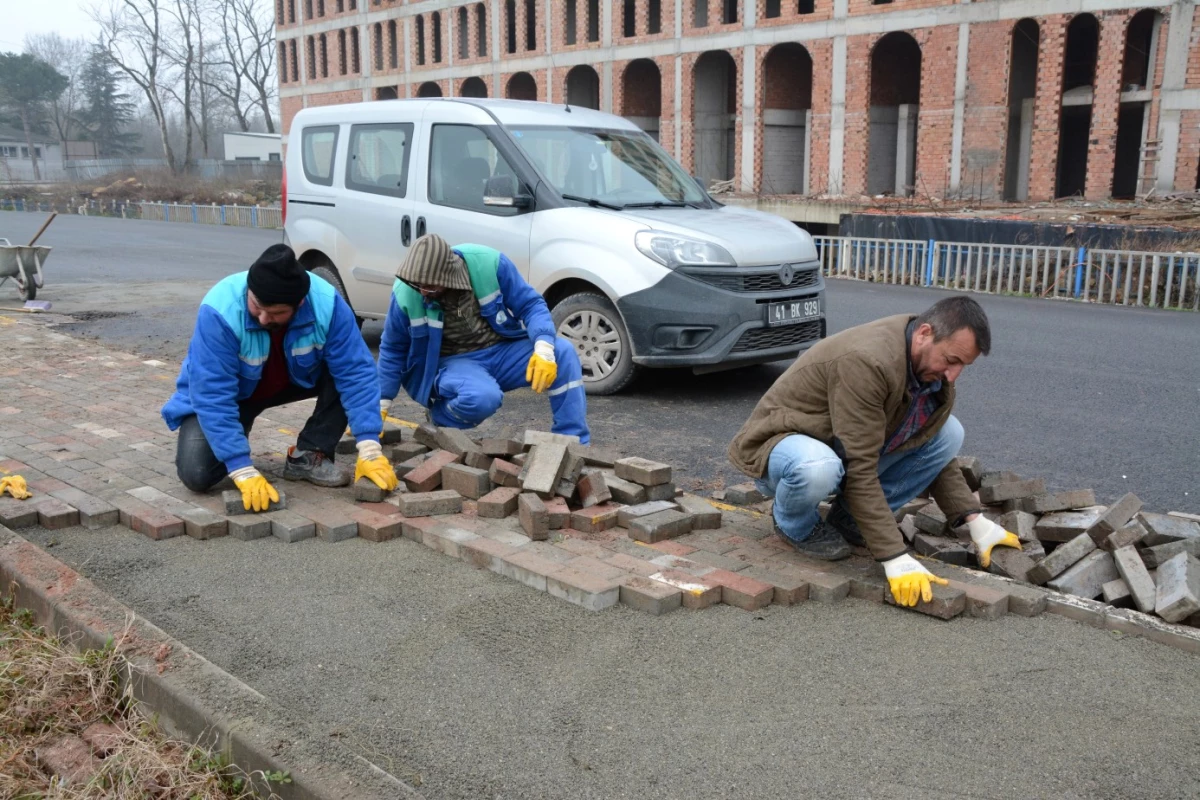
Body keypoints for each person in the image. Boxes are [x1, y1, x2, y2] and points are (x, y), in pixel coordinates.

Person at [728, 296, 1021, 607]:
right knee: (818, 468)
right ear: (923, 333)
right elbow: (859, 463)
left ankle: (851, 520)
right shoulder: (869, 361)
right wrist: (894, 556)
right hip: (784, 445)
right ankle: (795, 525)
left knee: (949, 432)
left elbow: (925, 445)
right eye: (951, 360)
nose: (953, 375)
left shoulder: (927, 371)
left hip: (839, 443)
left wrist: (972, 518)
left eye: (964, 365)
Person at [162, 244, 398, 512]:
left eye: (275, 314)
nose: (263, 318)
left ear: (299, 304)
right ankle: (236, 429)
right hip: (236, 393)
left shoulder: (327, 305)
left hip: (294, 380)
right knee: (197, 475)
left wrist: (369, 447)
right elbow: (211, 393)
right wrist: (240, 468)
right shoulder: (220, 310)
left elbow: (356, 373)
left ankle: (310, 453)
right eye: (256, 306)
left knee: (344, 373)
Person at [377, 234, 590, 442]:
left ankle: (573, 441)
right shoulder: (405, 294)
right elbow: (393, 349)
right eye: (418, 285)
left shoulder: (489, 264)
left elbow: (531, 305)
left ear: (447, 275)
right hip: (453, 363)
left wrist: (544, 349)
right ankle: (440, 419)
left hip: (502, 350)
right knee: (482, 398)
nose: (423, 291)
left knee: (562, 352)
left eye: (430, 286)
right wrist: (379, 404)